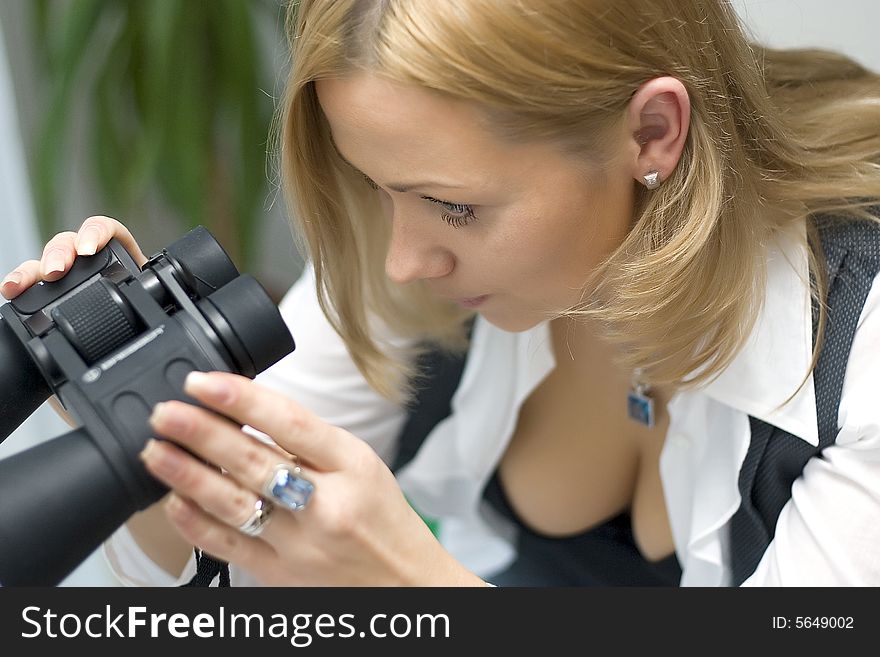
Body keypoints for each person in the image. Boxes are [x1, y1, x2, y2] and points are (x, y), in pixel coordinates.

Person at [3, 0, 879, 587]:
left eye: (454, 207)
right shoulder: (425, 272)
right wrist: (144, 435)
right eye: (380, 189)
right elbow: (191, 554)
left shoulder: (860, 350)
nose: (401, 262)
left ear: (651, 132)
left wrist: (416, 584)